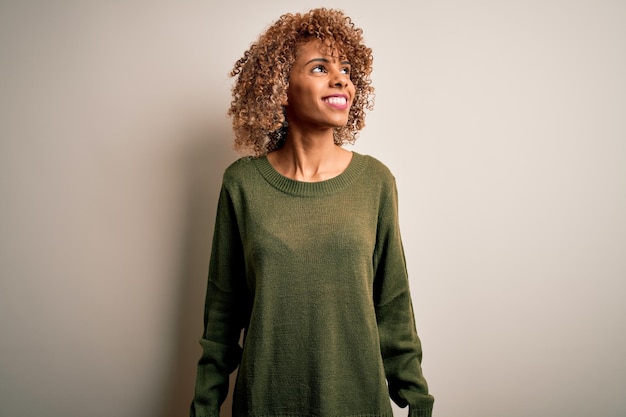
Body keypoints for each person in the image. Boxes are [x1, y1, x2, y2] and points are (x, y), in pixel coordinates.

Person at [190, 8, 434, 417]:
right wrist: (204, 408)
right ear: (279, 87)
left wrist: (418, 404)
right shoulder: (242, 185)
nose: (341, 79)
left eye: (346, 70)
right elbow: (221, 320)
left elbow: (393, 308)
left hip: (359, 404)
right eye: (320, 67)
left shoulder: (375, 182)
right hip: (266, 404)